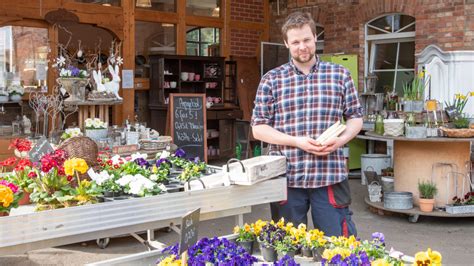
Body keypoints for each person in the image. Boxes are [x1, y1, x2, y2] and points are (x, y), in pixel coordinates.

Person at [251, 11, 363, 237]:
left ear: (315, 38)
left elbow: (355, 117)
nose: (302, 47)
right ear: (286, 44)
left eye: (306, 40)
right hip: (288, 176)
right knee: (288, 247)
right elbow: (258, 128)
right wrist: (296, 142)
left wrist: (340, 140)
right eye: (295, 42)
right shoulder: (272, 79)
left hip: (329, 174)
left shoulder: (339, 74)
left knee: (338, 246)